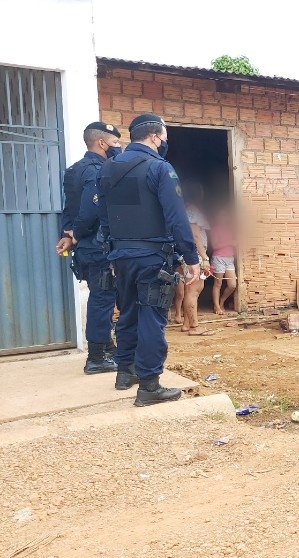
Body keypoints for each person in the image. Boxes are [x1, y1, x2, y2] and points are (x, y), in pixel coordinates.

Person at [98, 114, 200, 406]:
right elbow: (176, 217)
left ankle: (124, 372)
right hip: (152, 257)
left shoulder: (109, 168)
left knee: (128, 313)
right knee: (152, 319)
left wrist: (113, 250)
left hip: (121, 256)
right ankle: (150, 386)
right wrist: (191, 257)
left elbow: (104, 216)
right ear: (155, 137)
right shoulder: (158, 168)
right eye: (165, 136)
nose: (165, 141)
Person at [55, 122, 123, 374]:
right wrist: (77, 233)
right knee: (103, 297)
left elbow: (68, 208)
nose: (119, 148)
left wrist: (67, 233)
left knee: (101, 295)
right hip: (96, 244)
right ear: (102, 143)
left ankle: (107, 348)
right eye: (115, 143)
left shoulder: (74, 169)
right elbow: (89, 210)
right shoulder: (97, 170)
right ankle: (96, 357)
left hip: (86, 246)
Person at [173, 180, 212, 334]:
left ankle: (187, 325)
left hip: (189, 254)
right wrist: (204, 257)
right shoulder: (192, 210)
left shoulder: (185, 209)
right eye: (201, 190)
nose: (203, 193)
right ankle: (194, 327)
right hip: (195, 255)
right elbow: (195, 236)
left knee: (192, 288)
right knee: (194, 290)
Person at [209, 207, 238, 315]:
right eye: (220, 215)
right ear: (216, 218)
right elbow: (215, 245)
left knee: (232, 285)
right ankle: (216, 307)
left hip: (229, 258)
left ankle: (221, 302)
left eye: (224, 215)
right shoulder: (215, 229)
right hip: (218, 258)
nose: (222, 217)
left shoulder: (231, 229)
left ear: (228, 217)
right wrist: (230, 242)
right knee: (218, 283)